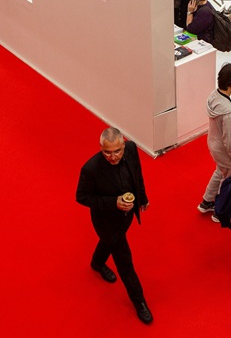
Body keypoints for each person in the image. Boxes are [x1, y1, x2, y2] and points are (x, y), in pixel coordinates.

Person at [75, 127, 153, 325]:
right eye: (107, 152)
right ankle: (139, 301)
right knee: (125, 261)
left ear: (123, 145)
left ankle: (97, 262)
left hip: (127, 216)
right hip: (106, 221)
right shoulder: (90, 169)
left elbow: (137, 174)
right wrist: (113, 203)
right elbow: (82, 197)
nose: (113, 157)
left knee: (109, 242)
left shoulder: (132, 149)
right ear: (100, 148)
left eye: (117, 151)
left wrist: (142, 198)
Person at [197, 63, 231, 216]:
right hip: (224, 150)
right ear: (230, 83)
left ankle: (207, 201)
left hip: (214, 142)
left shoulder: (214, 95)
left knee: (220, 171)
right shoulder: (228, 112)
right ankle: (220, 211)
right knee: (228, 181)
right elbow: (230, 141)